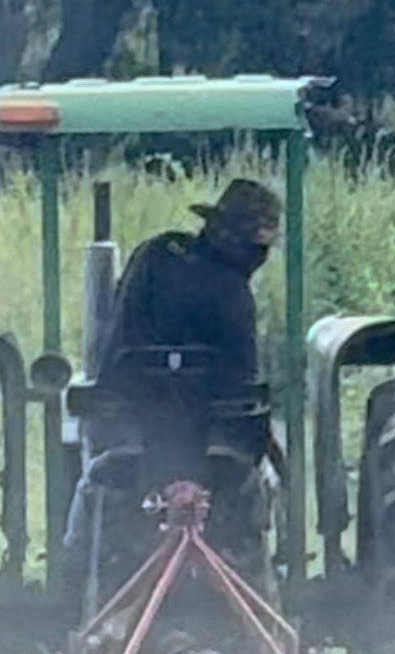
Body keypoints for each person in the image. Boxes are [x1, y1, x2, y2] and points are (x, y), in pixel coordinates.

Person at [63, 180, 284, 609]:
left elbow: (116, 352)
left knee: (94, 482)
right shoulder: (234, 294)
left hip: (131, 434)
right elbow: (241, 381)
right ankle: (260, 586)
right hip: (217, 446)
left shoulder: (155, 256)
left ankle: (73, 586)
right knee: (260, 483)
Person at [95, 178, 283, 404]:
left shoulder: (154, 253)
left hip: (123, 416)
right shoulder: (233, 293)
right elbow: (242, 388)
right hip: (207, 430)